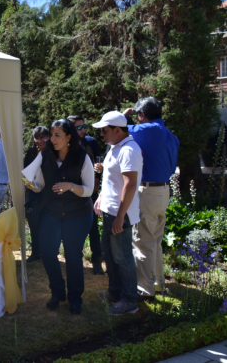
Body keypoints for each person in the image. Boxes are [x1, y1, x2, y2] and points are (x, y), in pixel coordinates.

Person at [26, 119, 94, 315]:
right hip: (51, 212)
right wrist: (32, 186)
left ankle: (75, 298)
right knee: (47, 253)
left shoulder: (82, 157)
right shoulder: (45, 155)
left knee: (73, 257)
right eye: (52, 135)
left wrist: (70, 186)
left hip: (78, 214)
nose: (52, 139)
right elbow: (40, 184)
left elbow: (89, 190)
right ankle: (57, 292)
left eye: (58, 135)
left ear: (69, 137)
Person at [122, 97, 179, 300]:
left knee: (142, 241)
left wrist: (124, 115)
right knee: (154, 240)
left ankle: (144, 289)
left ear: (142, 115)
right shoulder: (169, 134)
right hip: (163, 190)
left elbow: (118, 130)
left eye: (138, 115)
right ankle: (158, 283)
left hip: (148, 191)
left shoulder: (146, 130)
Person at [92, 111, 143, 316]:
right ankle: (115, 293)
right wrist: (101, 196)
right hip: (110, 210)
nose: (102, 134)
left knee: (122, 256)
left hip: (121, 213)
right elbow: (112, 179)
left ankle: (129, 300)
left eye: (105, 130)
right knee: (109, 253)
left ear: (118, 130)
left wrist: (121, 216)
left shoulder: (129, 150)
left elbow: (130, 185)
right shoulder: (116, 147)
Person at [68, 114, 105, 275]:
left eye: (84, 126)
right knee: (73, 228)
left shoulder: (91, 142)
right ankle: (75, 259)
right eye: (79, 127)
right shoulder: (66, 145)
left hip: (91, 192)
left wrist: (97, 179)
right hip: (73, 192)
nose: (83, 130)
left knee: (93, 227)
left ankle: (97, 260)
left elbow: (98, 163)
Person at [24, 126, 50, 263]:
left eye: (42, 137)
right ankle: (35, 253)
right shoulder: (30, 153)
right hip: (34, 192)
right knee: (34, 222)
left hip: (49, 194)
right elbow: (25, 172)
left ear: (48, 137)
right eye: (37, 138)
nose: (40, 141)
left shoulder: (52, 152)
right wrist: (27, 183)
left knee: (47, 223)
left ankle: (48, 252)